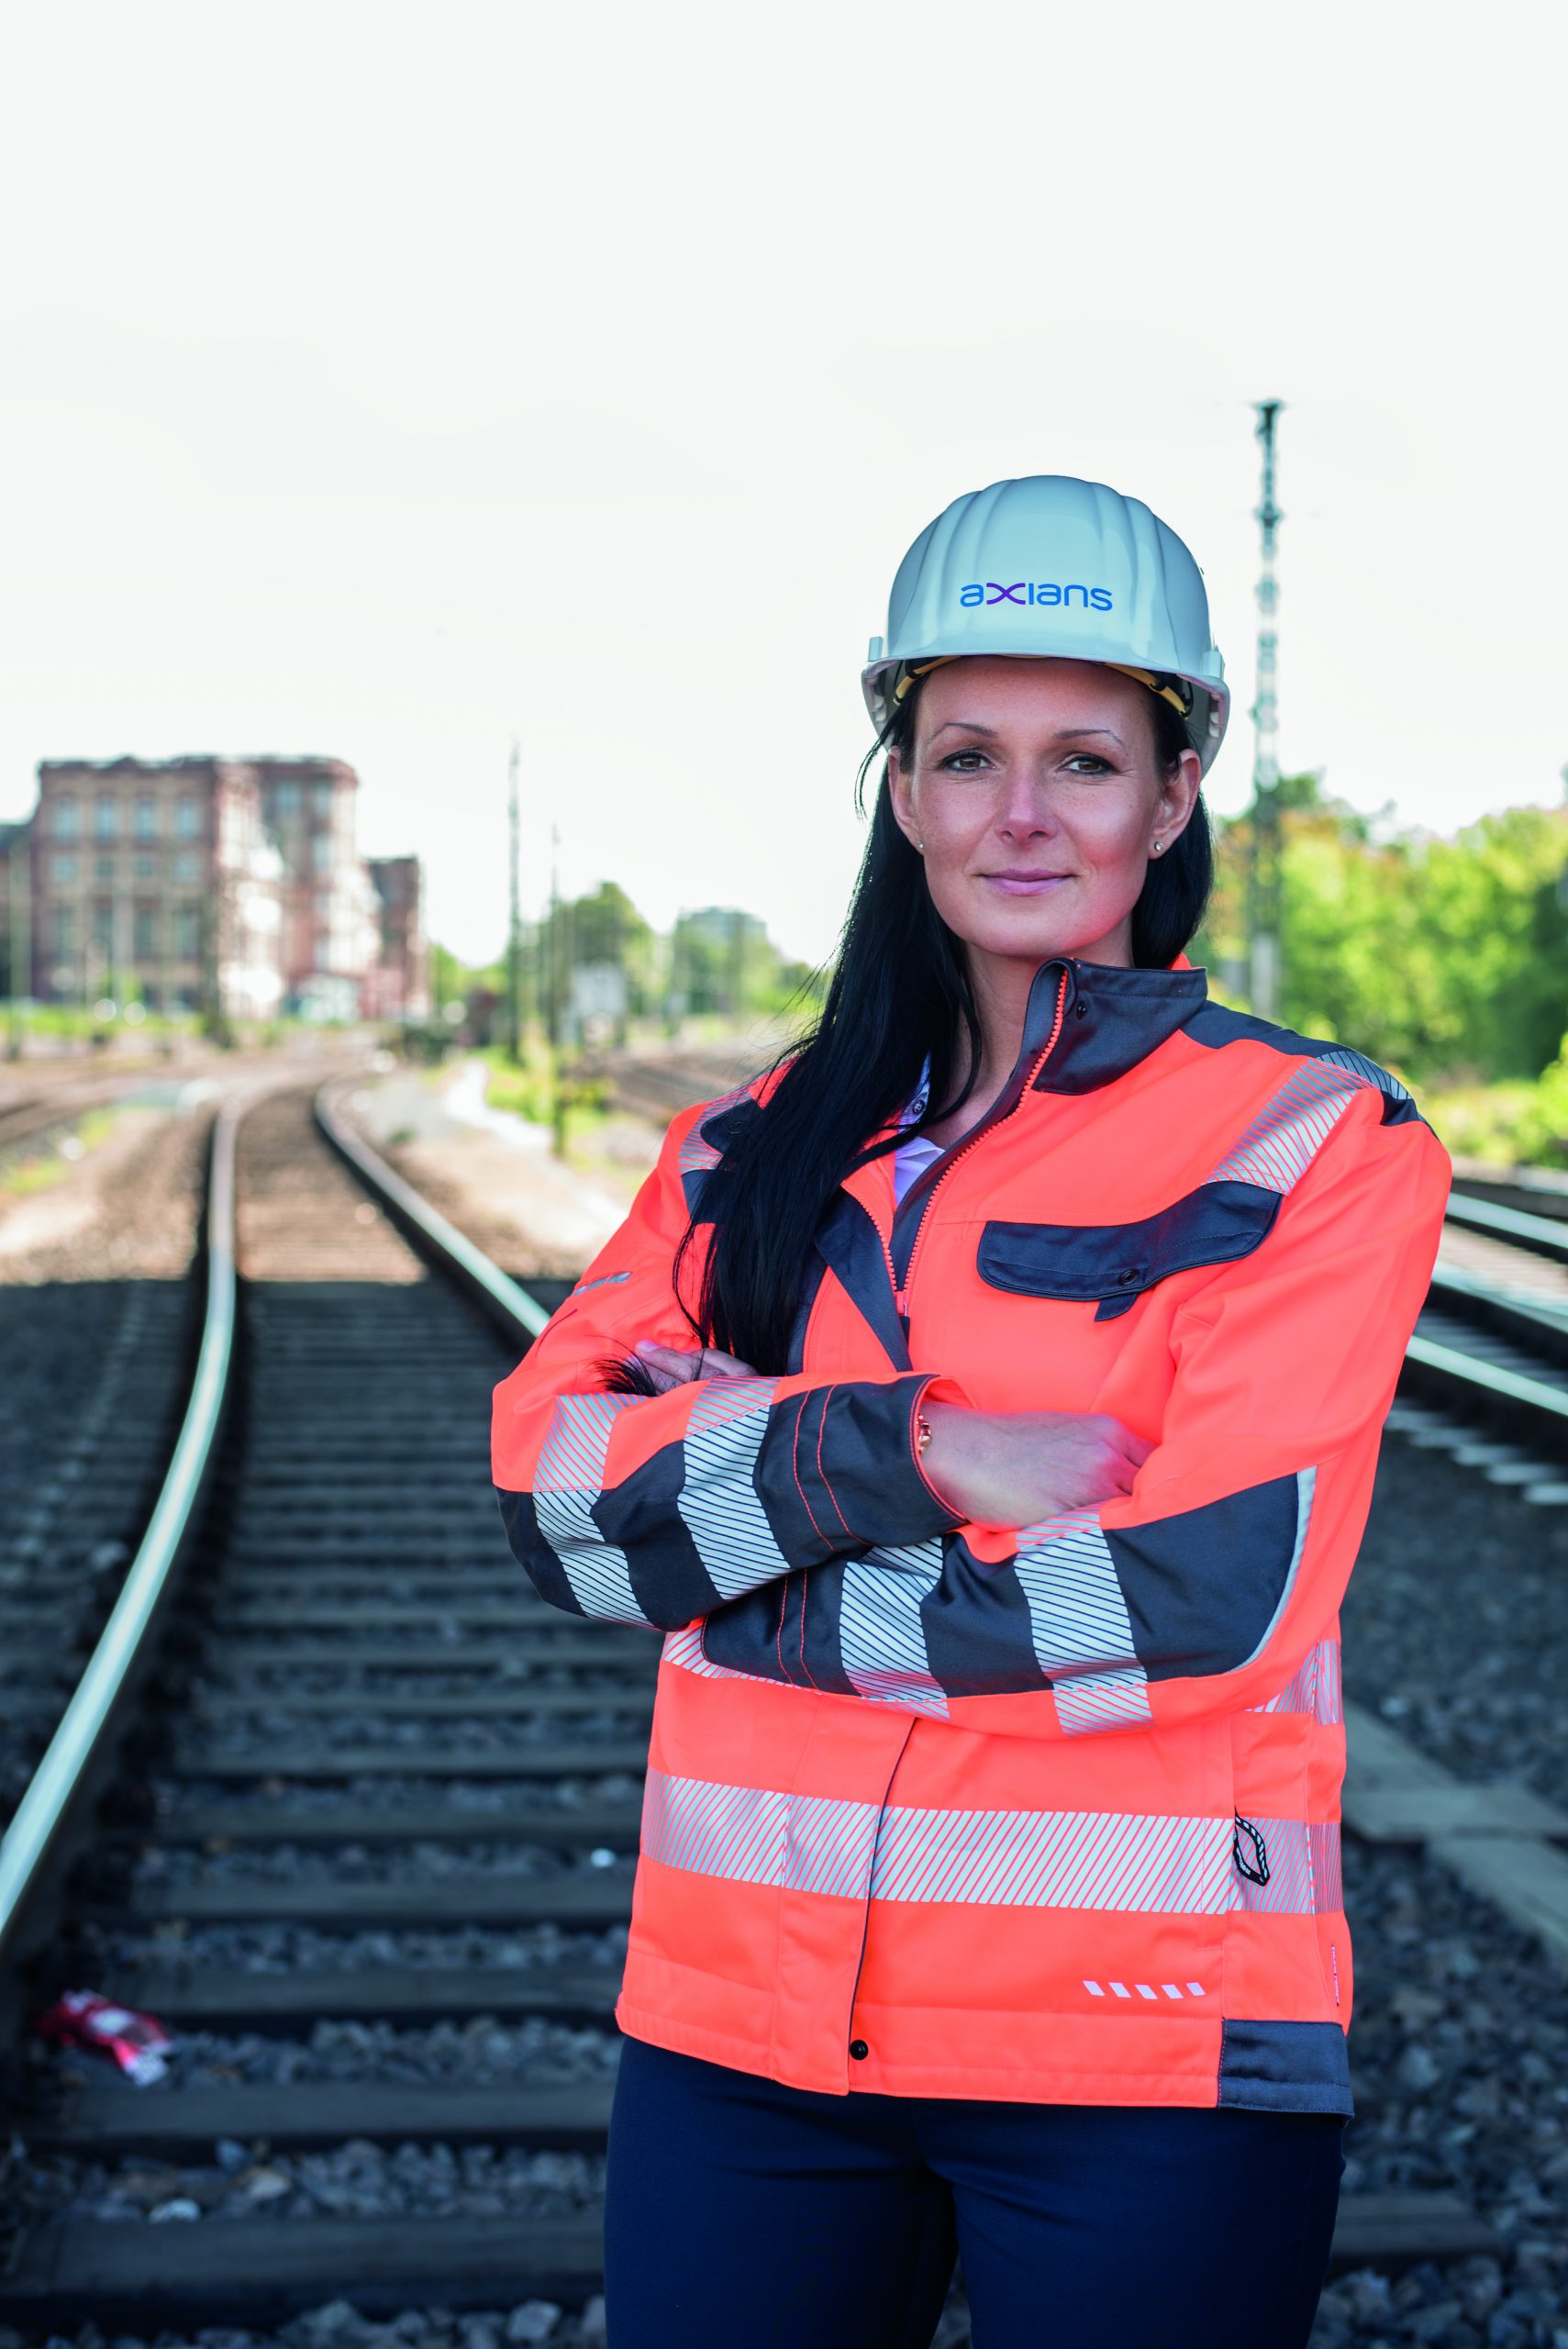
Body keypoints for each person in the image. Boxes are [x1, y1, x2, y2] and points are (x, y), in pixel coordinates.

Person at [491, 474, 1452, 2349]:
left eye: (1083, 761)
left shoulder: (1315, 1142)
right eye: (966, 757)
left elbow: (1197, 1600)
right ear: (904, 793)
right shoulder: (749, 1149)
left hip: (1142, 2049)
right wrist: (912, 1449)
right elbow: (557, 1500)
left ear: (1172, 796)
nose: (1021, 812)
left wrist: (731, 1555)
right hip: (739, 2039)